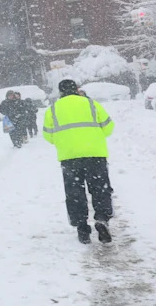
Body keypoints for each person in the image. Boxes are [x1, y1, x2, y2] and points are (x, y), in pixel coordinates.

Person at [43, 79, 114, 244]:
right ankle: (102, 218)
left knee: (75, 192)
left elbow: (48, 135)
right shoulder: (91, 104)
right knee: (100, 188)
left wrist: (65, 141)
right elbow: (109, 127)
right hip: (95, 155)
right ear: (76, 89)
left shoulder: (53, 109)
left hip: (69, 157)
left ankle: (82, 227)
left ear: (60, 92)